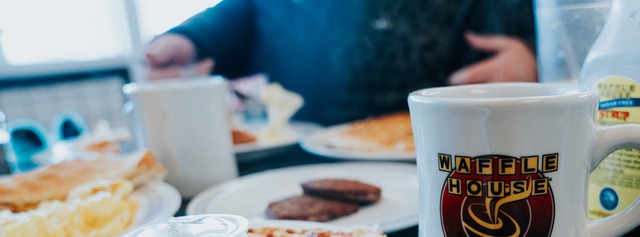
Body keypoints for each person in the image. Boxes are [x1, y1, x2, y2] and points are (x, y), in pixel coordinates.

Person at [143, 0, 537, 126]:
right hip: (295, 166)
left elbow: (537, 31)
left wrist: (533, 57)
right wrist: (186, 40)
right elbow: (239, 14)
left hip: (435, 167)